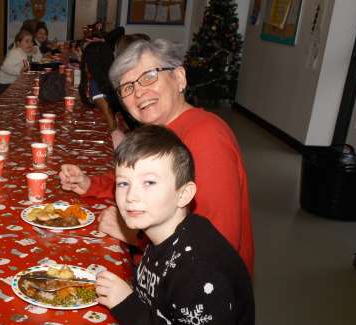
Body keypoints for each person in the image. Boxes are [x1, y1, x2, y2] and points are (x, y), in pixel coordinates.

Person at [33, 126, 254, 325]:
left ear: (184, 193)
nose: (132, 196)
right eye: (123, 183)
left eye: (149, 182)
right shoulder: (162, 236)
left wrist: (131, 307)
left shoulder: (198, 271)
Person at [59, 38, 254, 274]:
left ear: (179, 78)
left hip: (196, 295)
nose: (139, 92)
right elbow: (141, 180)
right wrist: (90, 184)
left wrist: (134, 236)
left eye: (149, 76)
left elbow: (216, 245)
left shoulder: (207, 138)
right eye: (127, 87)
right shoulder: (160, 131)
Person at [0, 30, 41, 100]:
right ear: (18, 44)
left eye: (31, 41)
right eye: (27, 41)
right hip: (4, 85)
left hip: (14, 83)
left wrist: (36, 52)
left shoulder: (26, 52)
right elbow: (5, 67)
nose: (30, 43)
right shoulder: (16, 53)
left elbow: (37, 61)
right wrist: (19, 71)